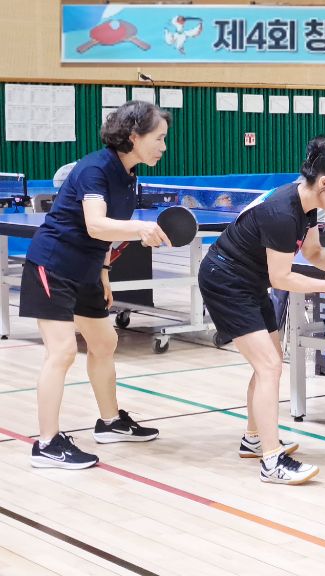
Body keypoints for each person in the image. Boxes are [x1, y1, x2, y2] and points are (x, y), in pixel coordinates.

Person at [198, 137, 325, 485]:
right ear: (324, 183)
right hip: (225, 279)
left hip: (248, 279)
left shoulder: (307, 206)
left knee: (269, 362)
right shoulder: (282, 213)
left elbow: (314, 254)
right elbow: (281, 278)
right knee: (268, 365)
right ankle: (272, 462)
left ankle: (254, 439)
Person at [22, 101, 171, 469]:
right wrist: (141, 228)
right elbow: (96, 224)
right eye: (159, 138)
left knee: (105, 342)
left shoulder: (128, 174)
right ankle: (47, 443)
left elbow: (104, 234)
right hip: (53, 265)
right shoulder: (95, 169)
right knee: (62, 352)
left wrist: (103, 270)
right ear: (134, 136)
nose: (164, 146)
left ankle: (109, 422)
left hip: (86, 270)